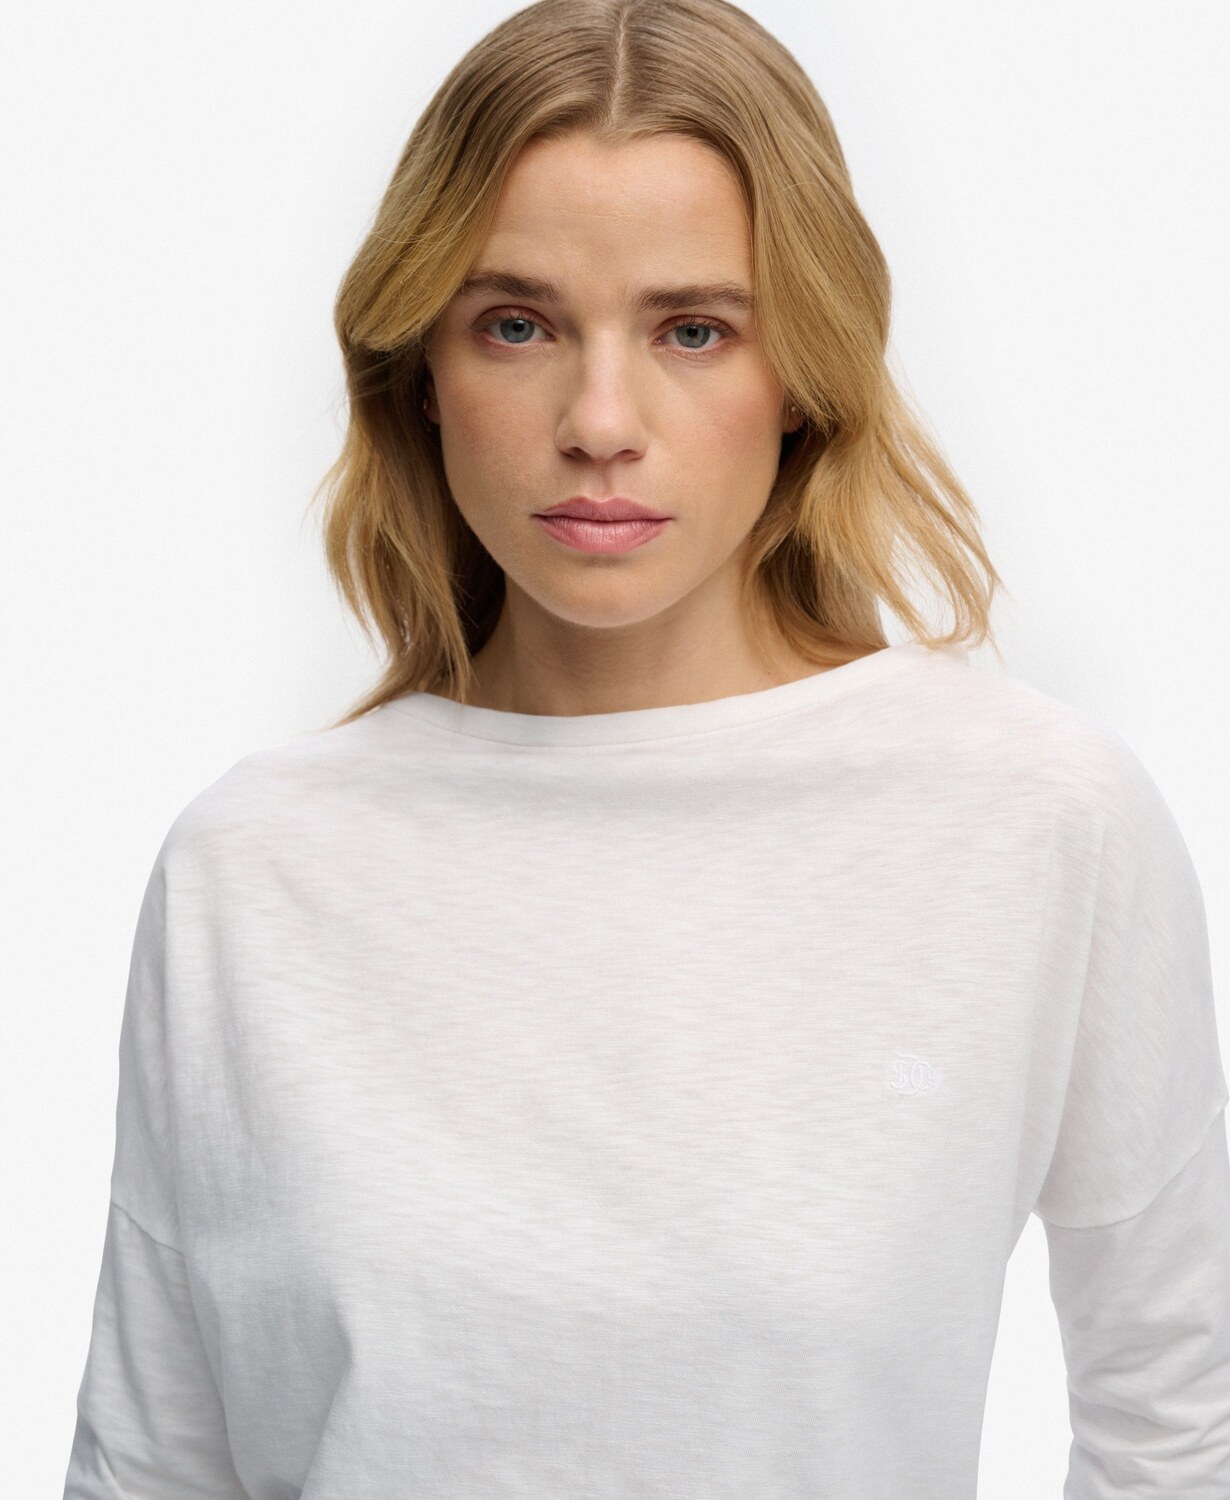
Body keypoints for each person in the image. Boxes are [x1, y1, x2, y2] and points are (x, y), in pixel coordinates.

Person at [63, 0, 1230, 1495]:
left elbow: (1177, 1420)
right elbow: (155, 1462)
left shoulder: (1034, 817)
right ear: (418, 371)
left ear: (802, 374)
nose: (600, 422)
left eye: (693, 330)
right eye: (517, 324)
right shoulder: (253, 863)